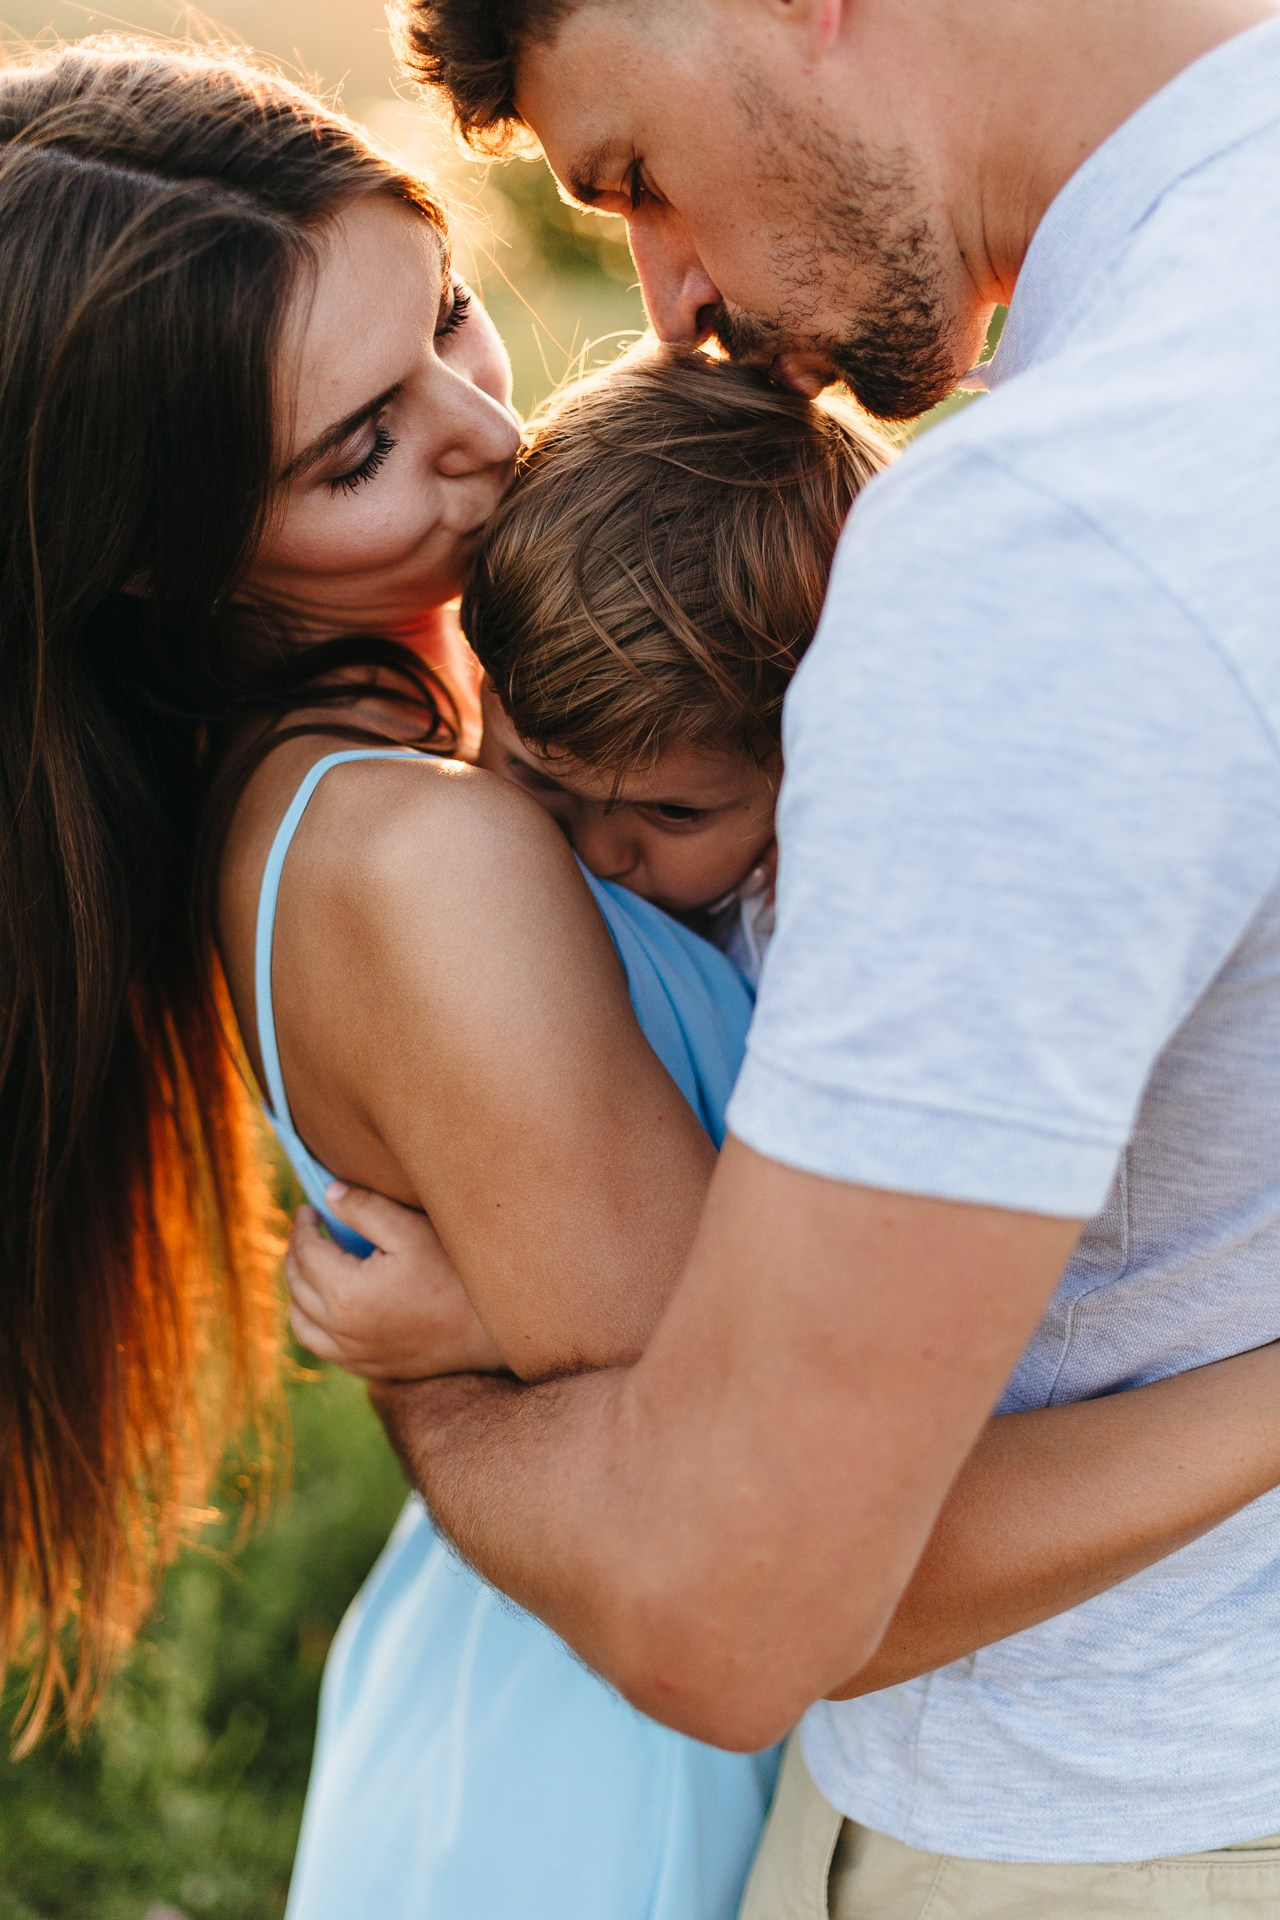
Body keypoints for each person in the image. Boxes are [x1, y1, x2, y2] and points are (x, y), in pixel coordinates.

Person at [0, 27, 1270, 1920]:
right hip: (603, 1786)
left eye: (447, 317)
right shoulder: (424, 863)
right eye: (359, 447)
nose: (488, 434)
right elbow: (805, 1564)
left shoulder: (470, 739)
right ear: (160, 567)